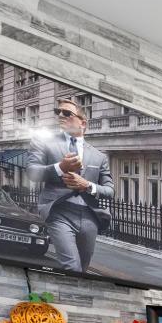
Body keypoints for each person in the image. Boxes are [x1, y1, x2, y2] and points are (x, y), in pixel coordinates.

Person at [27, 97, 113, 273]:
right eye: (57, 112)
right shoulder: (44, 142)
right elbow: (32, 172)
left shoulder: (99, 156)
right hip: (59, 212)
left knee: (83, 268)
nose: (60, 115)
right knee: (71, 267)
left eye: (67, 113)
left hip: (89, 216)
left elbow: (110, 190)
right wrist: (60, 167)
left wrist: (87, 185)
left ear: (83, 123)